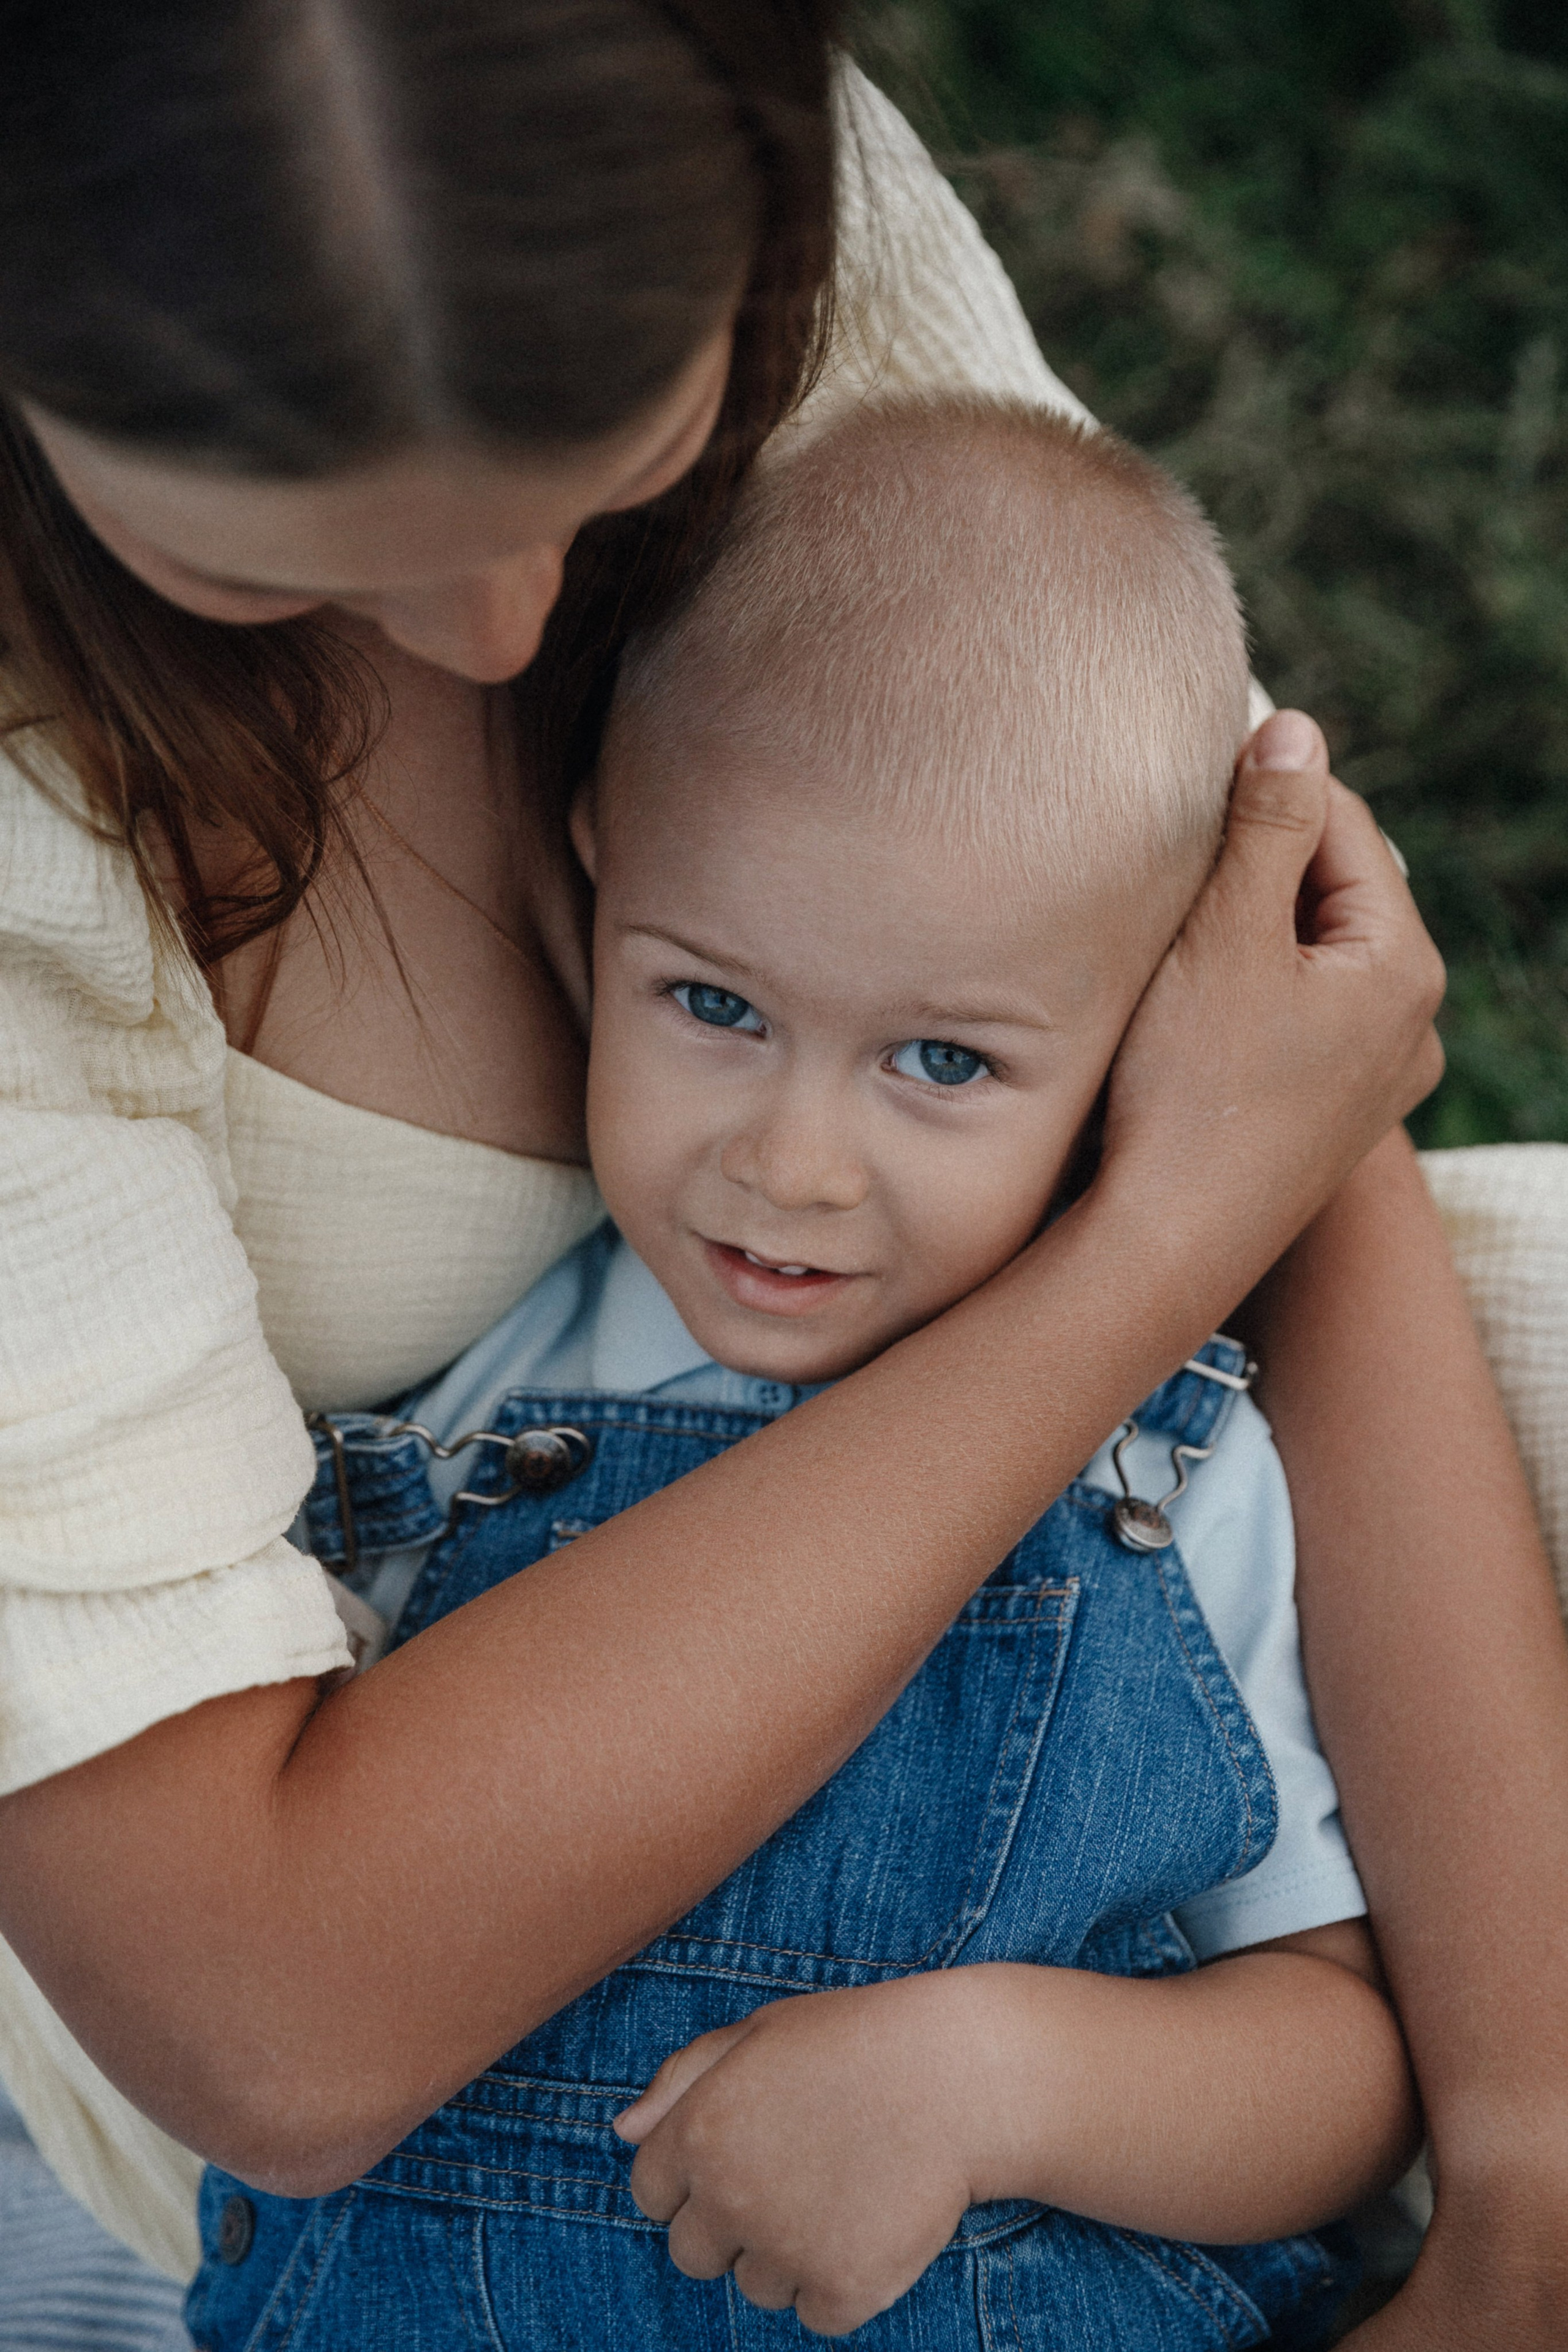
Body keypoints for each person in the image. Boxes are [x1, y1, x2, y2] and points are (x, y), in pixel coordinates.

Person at [0, 7, 1558, 2350]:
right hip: (357, 2050)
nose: (515, 635)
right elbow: (273, 2022)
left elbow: (1271, 1065)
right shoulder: (410, 1466)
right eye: (276, 561)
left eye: (608, 449)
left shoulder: (664, 170)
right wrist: (1142, 1242)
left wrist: (1523, 2197)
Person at [187, 398, 1421, 2348]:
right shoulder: (446, 1411)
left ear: (1144, 1038)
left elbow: (1343, 2066)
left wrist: (998, 2079)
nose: (793, 1162)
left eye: (944, 1062)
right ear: (597, 882)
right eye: (715, 1004)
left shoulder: (1172, 1467)